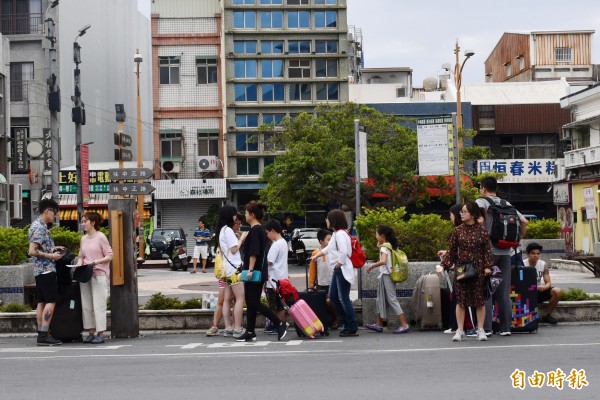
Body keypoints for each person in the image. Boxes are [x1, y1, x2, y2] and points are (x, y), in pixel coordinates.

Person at [476, 176, 528, 336]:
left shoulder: (481, 202)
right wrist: (517, 240)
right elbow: (524, 221)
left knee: (486, 290)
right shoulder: (507, 204)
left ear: (483, 188)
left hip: (488, 253)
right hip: (506, 252)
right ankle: (506, 329)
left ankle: (487, 328)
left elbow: (477, 222)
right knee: (503, 292)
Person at [441, 201, 493, 342]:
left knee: (479, 300)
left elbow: (487, 251)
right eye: (461, 212)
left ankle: (480, 329)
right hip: (460, 267)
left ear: (473, 214)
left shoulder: (482, 230)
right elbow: (451, 251)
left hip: (478, 267)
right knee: (461, 300)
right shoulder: (457, 230)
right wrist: (443, 265)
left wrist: (488, 266)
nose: (462, 214)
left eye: (465, 212)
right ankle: (460, 330)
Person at [236, 201, 288, 342]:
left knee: (253, 302)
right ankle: (250, 331)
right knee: (252, 301)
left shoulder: (255, 230)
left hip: (254, 272)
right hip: (259, 271)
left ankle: (278, 323)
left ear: (252, 215)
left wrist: (250, 270)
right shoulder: (258, 230)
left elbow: (254, 252)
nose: (245, 215)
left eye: (246, 213)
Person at [310, 209, 359, 337]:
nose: (326, 220)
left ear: (334, 220)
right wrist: (317, 256)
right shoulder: (337, 234)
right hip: (338, 270)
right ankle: (345, 322)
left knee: (343, 298)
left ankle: (351, 325)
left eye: (328, 218)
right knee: (333, 296)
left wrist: (339, 263)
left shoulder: (341, 234)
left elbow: (343, 251)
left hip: (341, 269)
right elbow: (328, 248)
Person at [28, 198, 64, 346]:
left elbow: (38, 248)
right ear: (47, 211)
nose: (54, 216)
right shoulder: (40, 228)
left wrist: (53, 249)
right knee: (50, 301)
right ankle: (43, 335)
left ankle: (42, 334)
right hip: (46, 270)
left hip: (39, 271)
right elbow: (32, 251)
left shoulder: (37, 225)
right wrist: (52, 256)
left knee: (41, 302)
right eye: (54, 213)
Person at [76, 211, 114, 344]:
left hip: (99, 273)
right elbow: (81, 255)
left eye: (85, 221)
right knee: (87, 305)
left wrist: (96, 262)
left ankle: (101, 333)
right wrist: (79, 264)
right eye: (82, 221)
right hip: (85, 274)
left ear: (93, 222)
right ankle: (91, 331)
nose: (83, 224)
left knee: (99, 305)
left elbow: (110, 255)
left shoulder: (101, 237)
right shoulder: (83, 238)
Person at [365, 225, 410, 334]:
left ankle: (404, 324)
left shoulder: (384, 247)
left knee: (391, 299)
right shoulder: (389, 245)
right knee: (380, 299)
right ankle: (378, 324)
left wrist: (372, 266)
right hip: (387, 275)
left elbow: (383, 261)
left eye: (376, 234)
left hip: (386, 275)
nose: (375, 236)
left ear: (382, 236)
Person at [216, 206, 246, 338]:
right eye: (234, 215)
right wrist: (241, 239)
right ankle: (238, 328)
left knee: (227, 299)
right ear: (230, 215)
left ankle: (228, 327)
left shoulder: (222, 230)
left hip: (227, 269)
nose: (236, 217)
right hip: (235, 269)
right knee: (240, 298)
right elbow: (234, 249)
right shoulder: (228, 230)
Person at [437, 203, 462, 334]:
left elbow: (455, 251)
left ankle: (456, 325)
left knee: (457, 295)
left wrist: (443, 264)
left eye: (451, 215)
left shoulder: (458, 230)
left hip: (462, 268)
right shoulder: (470, 229)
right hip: (466, 266)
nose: (450, 218)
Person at [523, 242, 561, 325]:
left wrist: (544, 287)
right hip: (527, 292)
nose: (535, 255)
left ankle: (547, 315)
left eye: (538, 253)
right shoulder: (522, 264)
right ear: (527, 254)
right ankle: (528, 317)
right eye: (533, 253)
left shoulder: (543, 264)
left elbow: (548, 283)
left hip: (539, 291)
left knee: (557, 291)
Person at [308, 229, 338, 329]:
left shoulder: (334, 251)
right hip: (321, 283)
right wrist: (311, 284)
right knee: (321, 304)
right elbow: (312, 270)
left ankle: (335, 320)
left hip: (332, 282)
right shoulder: (315, 253)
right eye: (328, 240)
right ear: (321, 241)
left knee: (330, 302)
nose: (330, 242)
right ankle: (325, 322)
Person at [264, 219, 289, 332]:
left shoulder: (276, 245)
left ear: (273, 231)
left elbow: (269, 261)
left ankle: (275, 325)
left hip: (273, 280)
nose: (267, 235)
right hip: (282, 278)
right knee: (280, 305)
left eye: (267, 233)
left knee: (273, 306)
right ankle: (282, 325)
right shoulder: (283, 242)